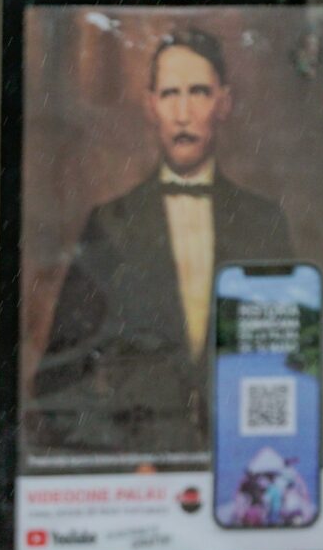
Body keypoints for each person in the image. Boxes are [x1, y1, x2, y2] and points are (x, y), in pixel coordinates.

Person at [28, 28, 294, 462]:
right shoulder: (111, 224)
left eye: (199, 93)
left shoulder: (263, 222)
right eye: (171, 94)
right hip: (141, 481)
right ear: (151, 106)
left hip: (244, 471)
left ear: (223, 103)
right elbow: (57, 378)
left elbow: (294, 365)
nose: (184, 113)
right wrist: (123, 460)